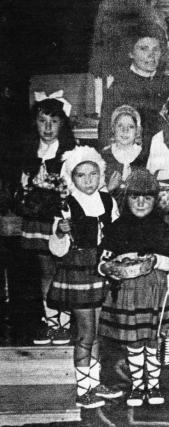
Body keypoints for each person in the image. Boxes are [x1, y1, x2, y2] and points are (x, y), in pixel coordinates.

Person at [45, 146, 120, 408]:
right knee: (86, 332)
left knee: (97, 331)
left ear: (101, 174)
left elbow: (115, 233)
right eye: (81, 175)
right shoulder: (67, 205)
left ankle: (94, 383)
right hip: (78, 272)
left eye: (93, 174)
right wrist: (61, 231)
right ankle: (82, 389)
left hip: (101, 270)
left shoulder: (108, 200)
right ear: (71, 178)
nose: (88, 180)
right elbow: (57, 248)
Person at [98, 168, 169, 407]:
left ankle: (153, 385)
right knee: (133, 341)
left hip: (154, 290)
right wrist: (108, 268)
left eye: (147, 197)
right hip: (127, 292)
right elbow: (102, 261)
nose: (141, 203)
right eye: (135, 197)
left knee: (153, 339)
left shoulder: (161, 227)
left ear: (155, 200)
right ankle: (137, 386)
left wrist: (156, 261)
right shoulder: (117, 227)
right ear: (126, 199)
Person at [17, 97, 76, 345]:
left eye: (54, 121)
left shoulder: (69, 152)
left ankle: (65, 321)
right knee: (45, 271)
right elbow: (21, 185)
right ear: (35, 123)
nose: (48, 127)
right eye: (43, 121)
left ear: (63, 124)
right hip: (37, 219)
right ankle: (51, 320)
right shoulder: (29, 151)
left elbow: (73, 186)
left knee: (63, 269)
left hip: (59, 219)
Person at [98, 28, 169, 162]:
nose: (151, 55)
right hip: (131, 160)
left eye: (156, 49)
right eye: (144, 49)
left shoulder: (168, 83)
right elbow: (105, 133)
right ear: (130, 53)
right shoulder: (119, 87)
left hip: (165, 159)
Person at [102, 105, 143, 207]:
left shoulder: (144, 156)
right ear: (113, 129)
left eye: (131, 127)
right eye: (120, 126)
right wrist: (109, 188)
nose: (125, 130)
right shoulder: (104, 156)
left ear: (137, 131)